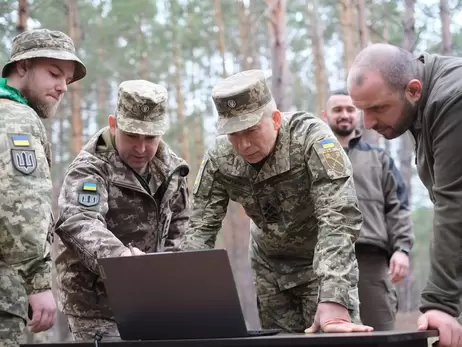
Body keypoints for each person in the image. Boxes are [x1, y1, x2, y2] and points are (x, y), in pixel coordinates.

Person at [181, 69, 374, 334]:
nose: (244, 144)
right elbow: (200, 230)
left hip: (321, 264)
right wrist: (186, 298)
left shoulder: (311, 138)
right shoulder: (219, 157)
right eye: (233, 134)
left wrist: (333, 295)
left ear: (274, 119)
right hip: (270, 268)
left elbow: (338, 216)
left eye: (250, 130)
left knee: (334, 337)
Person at [53, 80, 190, 341]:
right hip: (98, 307)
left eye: (150, 138)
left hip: (156, 304)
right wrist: (121, 258)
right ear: (114, 124)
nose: (141, 148)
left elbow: (182, 225)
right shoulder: (90, 168)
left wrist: (175, 278)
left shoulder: (171, 170)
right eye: (131, 136)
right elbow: (80, 221)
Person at [347, 43, 462, 347]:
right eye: (363, 110)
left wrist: (442, 303)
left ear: (413, 90)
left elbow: (455, 203)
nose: (368, 123)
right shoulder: (422, 99)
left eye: (378, 108)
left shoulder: (453, 98)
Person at [0, 28, 86, 346]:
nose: (62, 87)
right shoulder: (16, 119)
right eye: (54, 73)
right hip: (7, 292)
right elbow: (18, 203)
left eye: (67, 79)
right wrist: (37, 283)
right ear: (22, 67)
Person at [322, 89, 414, 331]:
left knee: (381, 334)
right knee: (326, 336)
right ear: (325, 115)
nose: (344, 115)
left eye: (350, 109)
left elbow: (398, 207)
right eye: (337, 110)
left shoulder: (379, 158)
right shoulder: (313, 159)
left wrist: (402, 249)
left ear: (358, 114)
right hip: (322, 264)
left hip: (371, 261)